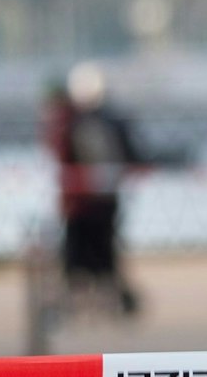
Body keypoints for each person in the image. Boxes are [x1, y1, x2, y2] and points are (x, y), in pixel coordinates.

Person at [47, 62, 146, 315]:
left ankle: (83, 299)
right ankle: (100, 298)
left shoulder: (69, 120)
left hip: (84, 201)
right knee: (96, 251)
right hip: (96, 199)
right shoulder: (93, 120)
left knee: (84, 252)